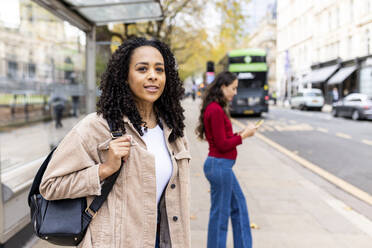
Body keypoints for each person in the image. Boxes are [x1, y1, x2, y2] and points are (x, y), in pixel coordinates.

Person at [40, 37, 191, 248]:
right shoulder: (96, 127)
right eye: (142, 69)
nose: (153, 76)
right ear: (124, 76)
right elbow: (50, 186)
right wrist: (104, 169)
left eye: (159, 69)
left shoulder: (174, 132)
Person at [196, 71, 257, 248]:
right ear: (223, 87)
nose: (235, 92)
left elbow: (222, 138)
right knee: (220, 217)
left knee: (239, 207)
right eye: (233, 88)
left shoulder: (215, 108)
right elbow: (222, 145)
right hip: (219, 166)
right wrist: (244, 135)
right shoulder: (215, 109)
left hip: (221, 166)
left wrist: (240, 134)